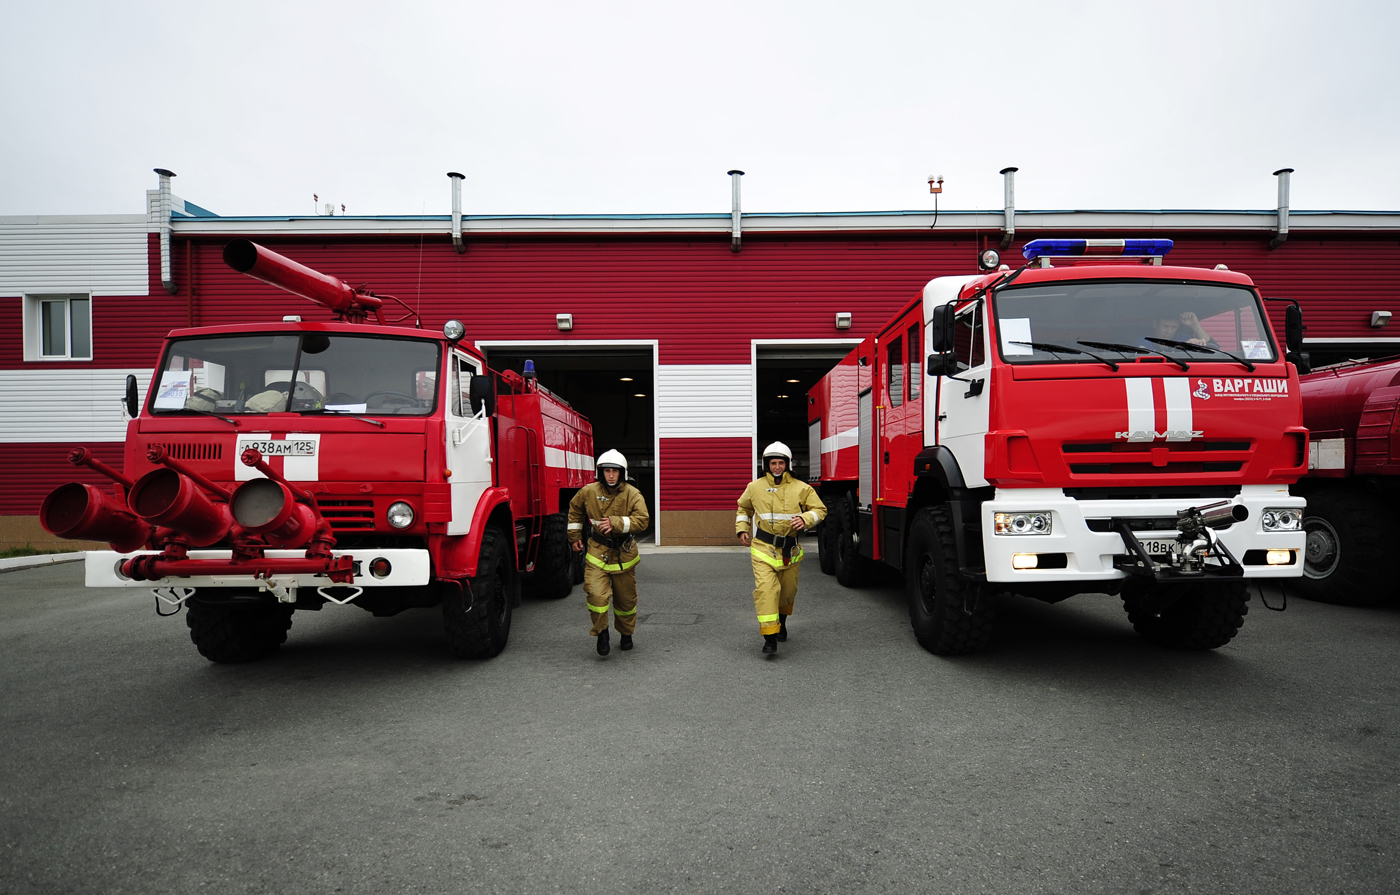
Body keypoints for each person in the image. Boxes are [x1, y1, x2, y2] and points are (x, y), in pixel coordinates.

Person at [735, 442, 827, 655]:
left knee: (787, 593)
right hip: (763, 548)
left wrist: (805, 519)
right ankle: (770, 637)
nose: (777, 466)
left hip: (790, 551)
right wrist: (742, 529)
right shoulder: (754, 487)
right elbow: (743, 507)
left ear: (788, 464)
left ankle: (782, 623)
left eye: (781, 462)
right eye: (773, 463)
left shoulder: (801, 488)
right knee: (767, 591)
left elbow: (820, 510)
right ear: (766, 464)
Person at [567, 450, 650, 656]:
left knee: (626, 601)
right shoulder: (588, 492)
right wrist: (574, 536)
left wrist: (616, 522)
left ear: (622, 473)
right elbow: (575, 510)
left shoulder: (633, 493)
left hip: (624, 554)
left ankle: (626, 634)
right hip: (597, 551)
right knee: (596, 595)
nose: (611, 475)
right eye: (607, 471)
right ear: (600, 472)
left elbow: (643, 520)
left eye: (615, 471)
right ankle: (602, 632)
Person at [1138, 311, 1217, 350]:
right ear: (1155, 324)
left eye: (1173, 327)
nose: (1169, 331)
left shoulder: (1183, 338)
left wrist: (1195, 325)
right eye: (1165, 326)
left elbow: (1213, 347)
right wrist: (1184, 346)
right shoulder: (1143, 341)